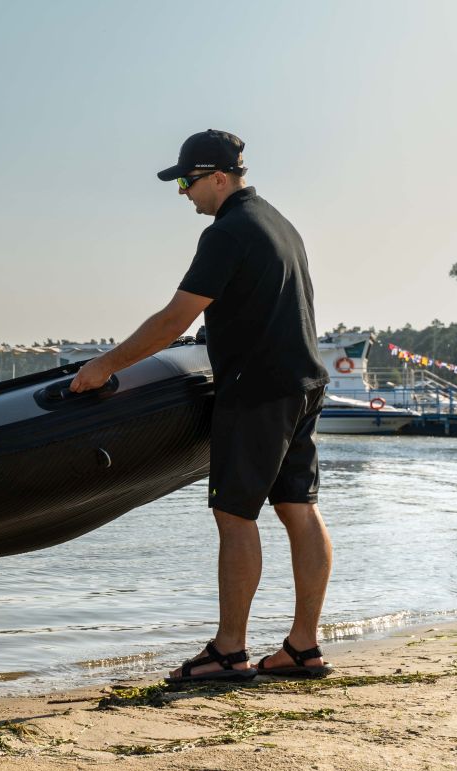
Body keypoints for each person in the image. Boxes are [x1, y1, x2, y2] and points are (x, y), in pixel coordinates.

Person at [69, 129, 333, 683]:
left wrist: (105, 366)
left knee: (235, 515)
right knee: (299, 508)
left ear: (217, 177)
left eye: (187, 182)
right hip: (303, 382)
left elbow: (174, 319)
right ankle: (303, 647)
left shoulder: (227, 232)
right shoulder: (279, 224)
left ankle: (228, 652)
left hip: (257, 389)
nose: (183, 193)